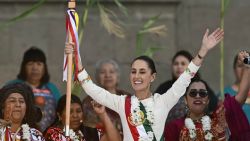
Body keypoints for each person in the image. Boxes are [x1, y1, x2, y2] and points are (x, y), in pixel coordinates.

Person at [66, 28, 224, 140]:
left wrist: (203, 51)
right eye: (133, 71)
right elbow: (93, 90)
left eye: (142, 72)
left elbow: (185, 78)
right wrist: (77, 63)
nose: (136, 76)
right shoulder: (122, 102)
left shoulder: (163, 101)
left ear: (152, 77)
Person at [165, 51, 250, 141]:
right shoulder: (174, 127)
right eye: (193, 93)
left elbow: (240, 97)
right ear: (185, 100)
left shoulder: (218, 120)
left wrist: (247, 64)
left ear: (208, 100)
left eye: (202, 93)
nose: (198, 96)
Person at [7, 47, 61, 131]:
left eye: (39, 64)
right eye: (30, 63)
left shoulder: (52, 89)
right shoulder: (13, 86)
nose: (35, 68)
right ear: (23, 67)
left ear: (44, 68)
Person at [83, 59, 130, 138]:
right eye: (102, 72)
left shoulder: (127, 98)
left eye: (111, 72)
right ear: (97, 77)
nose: (107, 75)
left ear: (117, 77)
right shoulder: (88, 102)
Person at [44, 95, 121, 141]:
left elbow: (115, 139)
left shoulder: (90, 133)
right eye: (70, 112)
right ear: (59, 115)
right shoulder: (52, 133)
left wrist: (102, 114)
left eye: (78, 111)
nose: (75, 115)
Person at [155, 50, 200, 123]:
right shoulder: (164, 87)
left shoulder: (200, 86)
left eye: (183, 63)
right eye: (176, 64)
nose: (179, 66)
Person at [219, 54, 250, 123]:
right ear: (234, 69)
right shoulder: (223, 93)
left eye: (247, 66)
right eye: (240, 66)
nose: (244, 69)